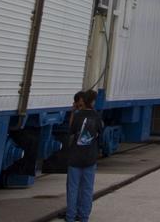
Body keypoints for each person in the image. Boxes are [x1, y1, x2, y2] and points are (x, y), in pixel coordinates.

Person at [65, 89, 103, 222]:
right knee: (87, 189)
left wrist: (73, 111)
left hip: (75, 157)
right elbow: (100, 134)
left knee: (73, 188)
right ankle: (84, 216)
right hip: (90, 158)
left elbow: (71, 131)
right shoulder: (97, 117)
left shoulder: (78, 115)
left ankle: (70, 216)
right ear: (92, 102)